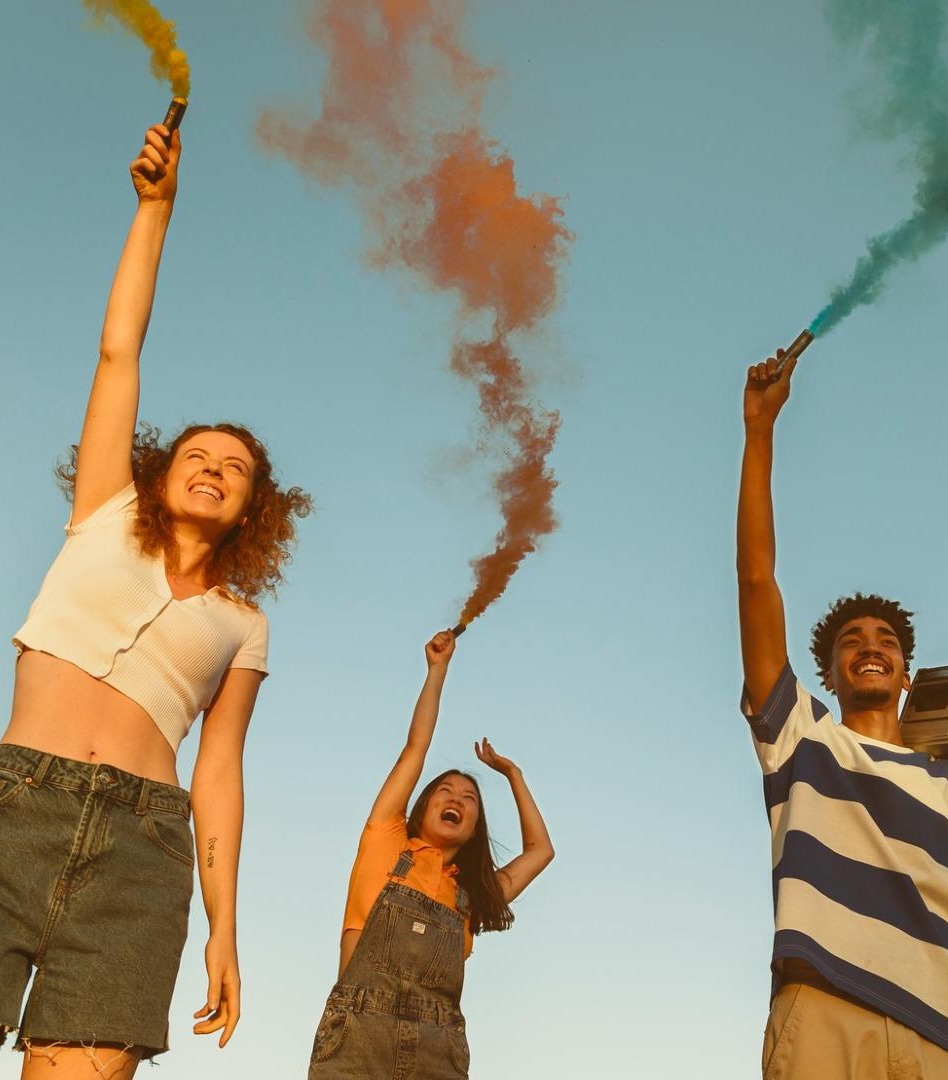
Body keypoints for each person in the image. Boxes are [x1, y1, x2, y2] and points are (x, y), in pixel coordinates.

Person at [0, 122, 310, 1079]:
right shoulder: (103, 513)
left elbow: (219, 772)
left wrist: (224, 927)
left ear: (257, 507)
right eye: (197, 455)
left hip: (142, 856)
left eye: (236, 469)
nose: (214, 468)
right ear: (158, 471)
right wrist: (156, 208)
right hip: (16, 805)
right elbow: (117, 355)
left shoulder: (244, 625)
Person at [736, 349, 948, 1079]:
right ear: (827, 672)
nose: (870, 647)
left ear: (905, 674)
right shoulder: (803, 737)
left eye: (885, 641)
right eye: (850, 643)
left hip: (945, 1039)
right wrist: (759, 433)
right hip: (826, 1008)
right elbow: (757, 580)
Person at [309, 629, 554, 1079]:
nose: (456, 798)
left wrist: (513, 775)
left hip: (439, 1052)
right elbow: (415, 749)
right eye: (445, 790)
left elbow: (541, 851)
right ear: (421, 809)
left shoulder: (474, 893)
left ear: (475, 827)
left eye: (469, 797)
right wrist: (437, 672)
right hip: (358, 1040)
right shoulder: (385, 839)